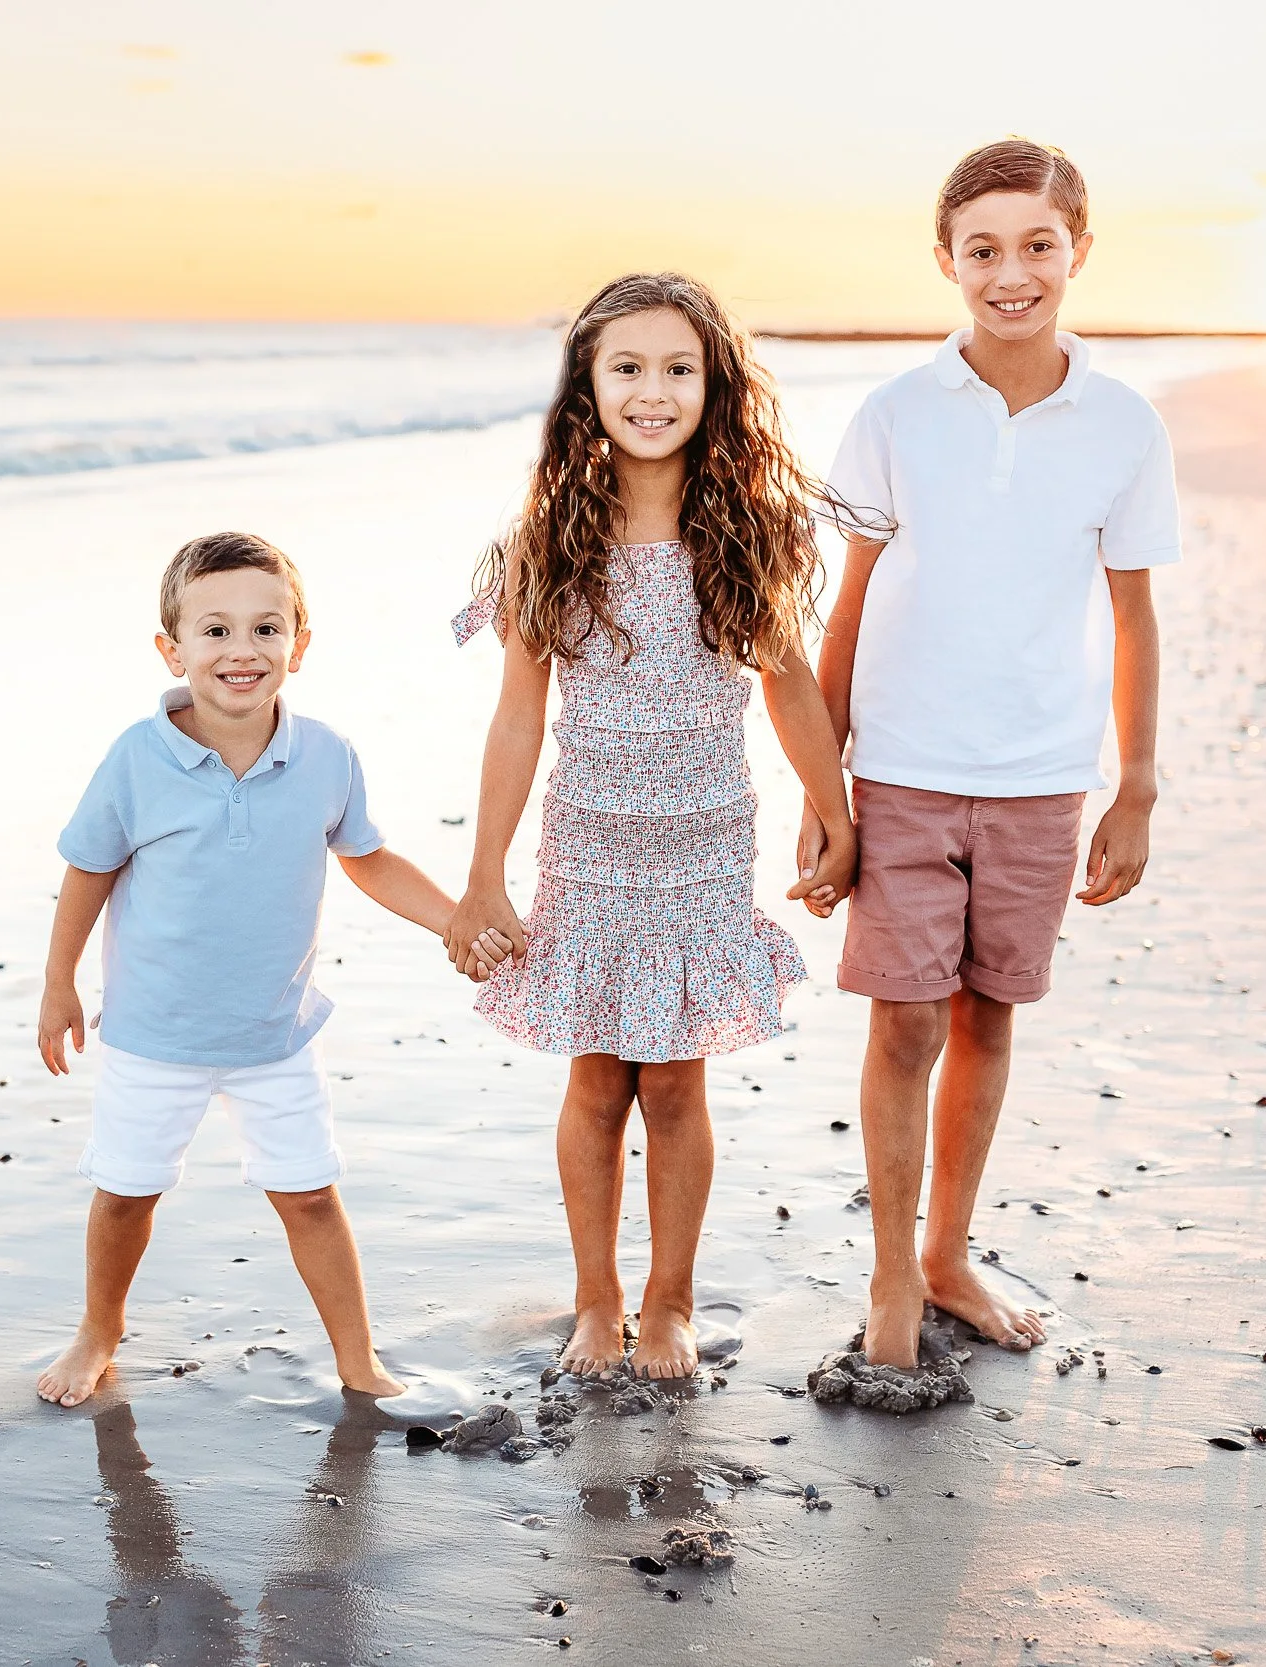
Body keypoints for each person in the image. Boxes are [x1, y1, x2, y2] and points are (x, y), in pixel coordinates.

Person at [445, 272, 861, 1380]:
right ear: (586, 385)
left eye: (678, 367)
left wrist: (835, 812)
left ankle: (669, 1302)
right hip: (587, 851)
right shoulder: (547, 539)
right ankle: (596, 1299)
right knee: (595, 1078)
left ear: (714, 384)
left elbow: (791, 689)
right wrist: (483, 874)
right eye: (625, 366)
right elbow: (517, 718)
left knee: (675, 1081)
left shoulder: (748, 530)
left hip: (702, 847)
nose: (652, 389)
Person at [816, 139, 1179, 1368]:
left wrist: (1133, 786)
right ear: (946, 261)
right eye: (983, 249)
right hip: (904, 770)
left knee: (987, 1015)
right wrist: (825, 789)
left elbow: (1131, 612)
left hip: (1041, 778)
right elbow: (846, 607)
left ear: (1078, 250)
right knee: (903, 1020)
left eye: (1036, 245)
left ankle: (947, 1253)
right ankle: (887, 1281)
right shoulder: (895, 414)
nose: (1010, 272)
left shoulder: (1123, 425)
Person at [34, 532, 508, 1408]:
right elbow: (88, 870)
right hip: (155, 1036)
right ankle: (100, 1328)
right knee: (126, 1194)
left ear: (301, 641)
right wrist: (59, 981)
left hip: (275, 1035)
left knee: (311, 1196)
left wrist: (457, 921)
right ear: (171, 648)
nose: (241, 650)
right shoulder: (138, 758)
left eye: (266, 627)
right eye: (214, 631)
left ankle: (359, 1358)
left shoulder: (325, 753)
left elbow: (367, 857)